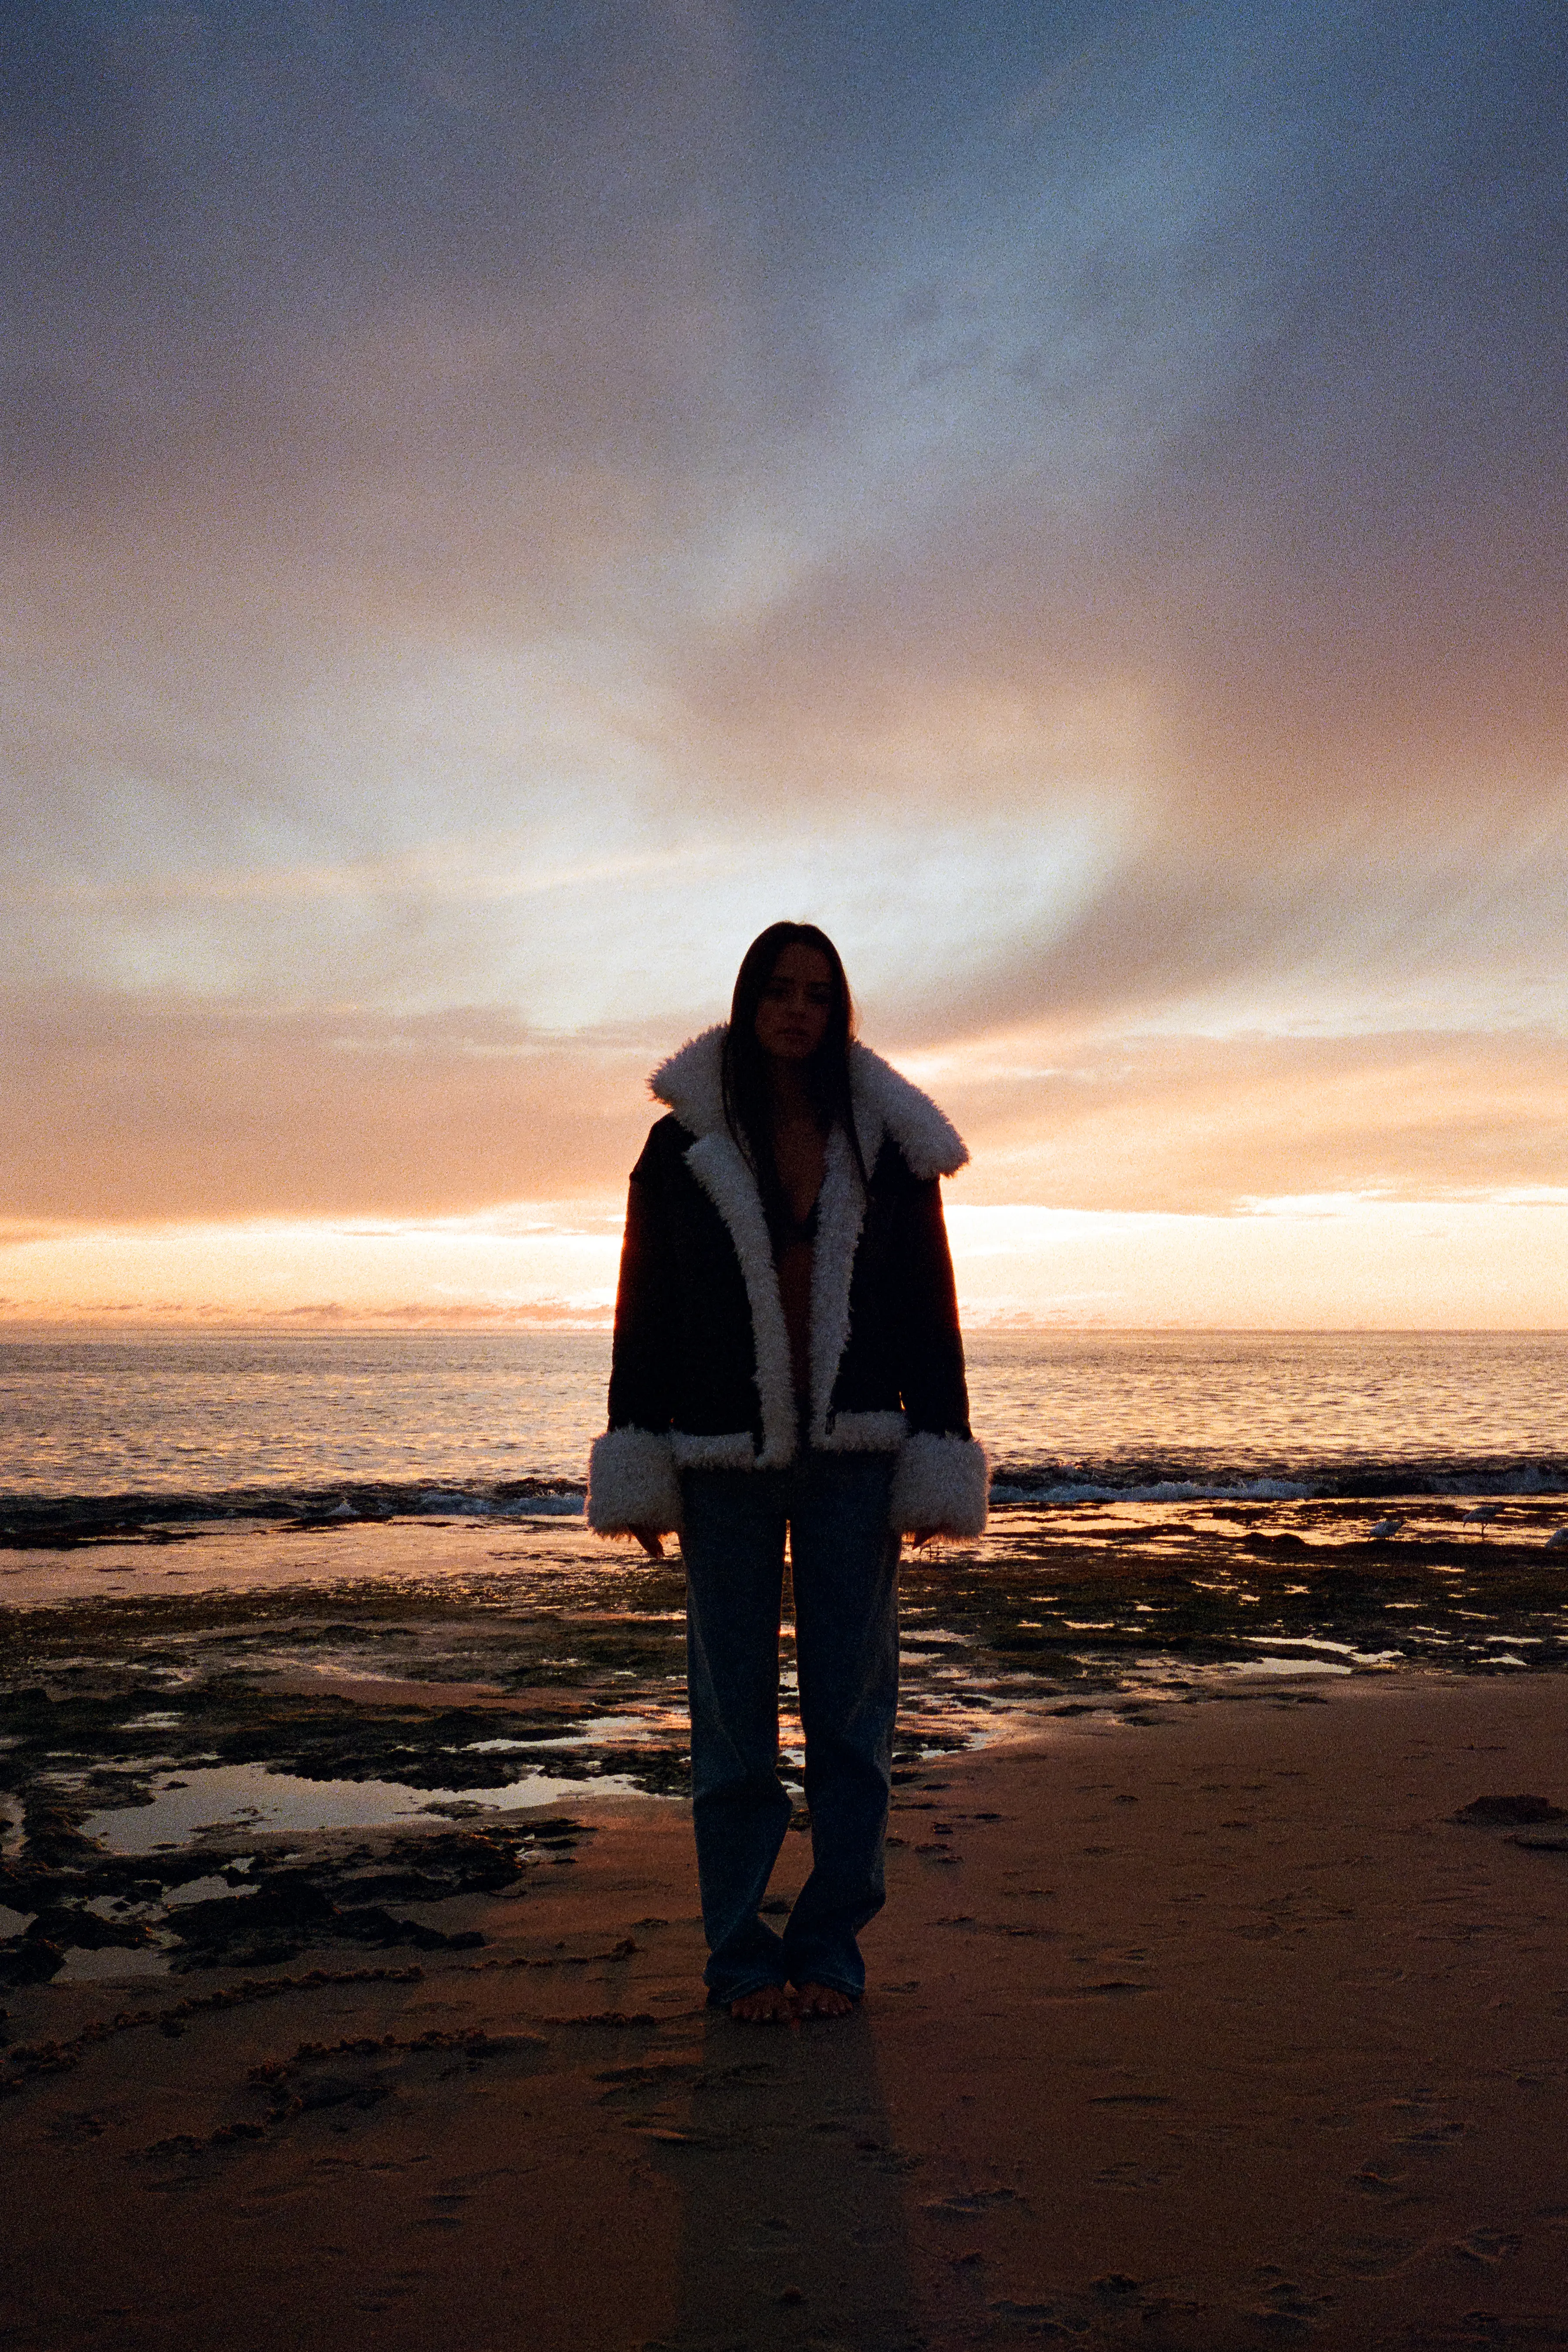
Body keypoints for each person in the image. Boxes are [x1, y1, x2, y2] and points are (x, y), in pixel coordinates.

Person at [587, 923, 987, 2021]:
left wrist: (938, 1453)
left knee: (853, 1727)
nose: (797, 1010)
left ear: (838, 1008)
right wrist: (638, 1455)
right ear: (749, 1002)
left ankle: (832, 1950)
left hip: (858, 1457)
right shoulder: (681, 1148)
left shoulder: (888, 1143)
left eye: (816, 993)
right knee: (732, 1733)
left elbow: (927, 1305)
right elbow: (645, 1303)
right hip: (723, 1459)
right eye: (778, 991)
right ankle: (739, 1958)